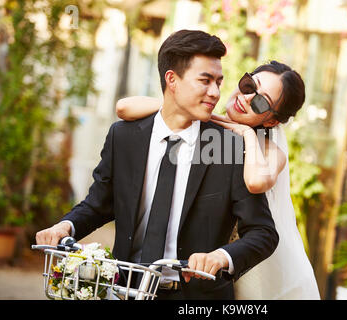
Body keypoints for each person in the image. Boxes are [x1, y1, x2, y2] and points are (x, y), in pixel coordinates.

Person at [35, 29, 279, 300]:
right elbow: (98, 204)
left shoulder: (227, 147)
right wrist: (64, 227)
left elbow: (263, 233)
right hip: (125, 290)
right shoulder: (124, 137)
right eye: (205, 80)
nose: (215, 92)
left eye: (219, 82)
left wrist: (221, 257)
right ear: (172, 80)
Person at [116, 61, 321, 299]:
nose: (246, 98)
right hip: (203, 268)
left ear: (272, 121)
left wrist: (246, 134)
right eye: (248, 85)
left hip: (250, 265)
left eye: (261, 101)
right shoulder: (206, 124)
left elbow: (255, 182)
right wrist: (187, 108)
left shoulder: (270, 152)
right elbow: (123, 108)